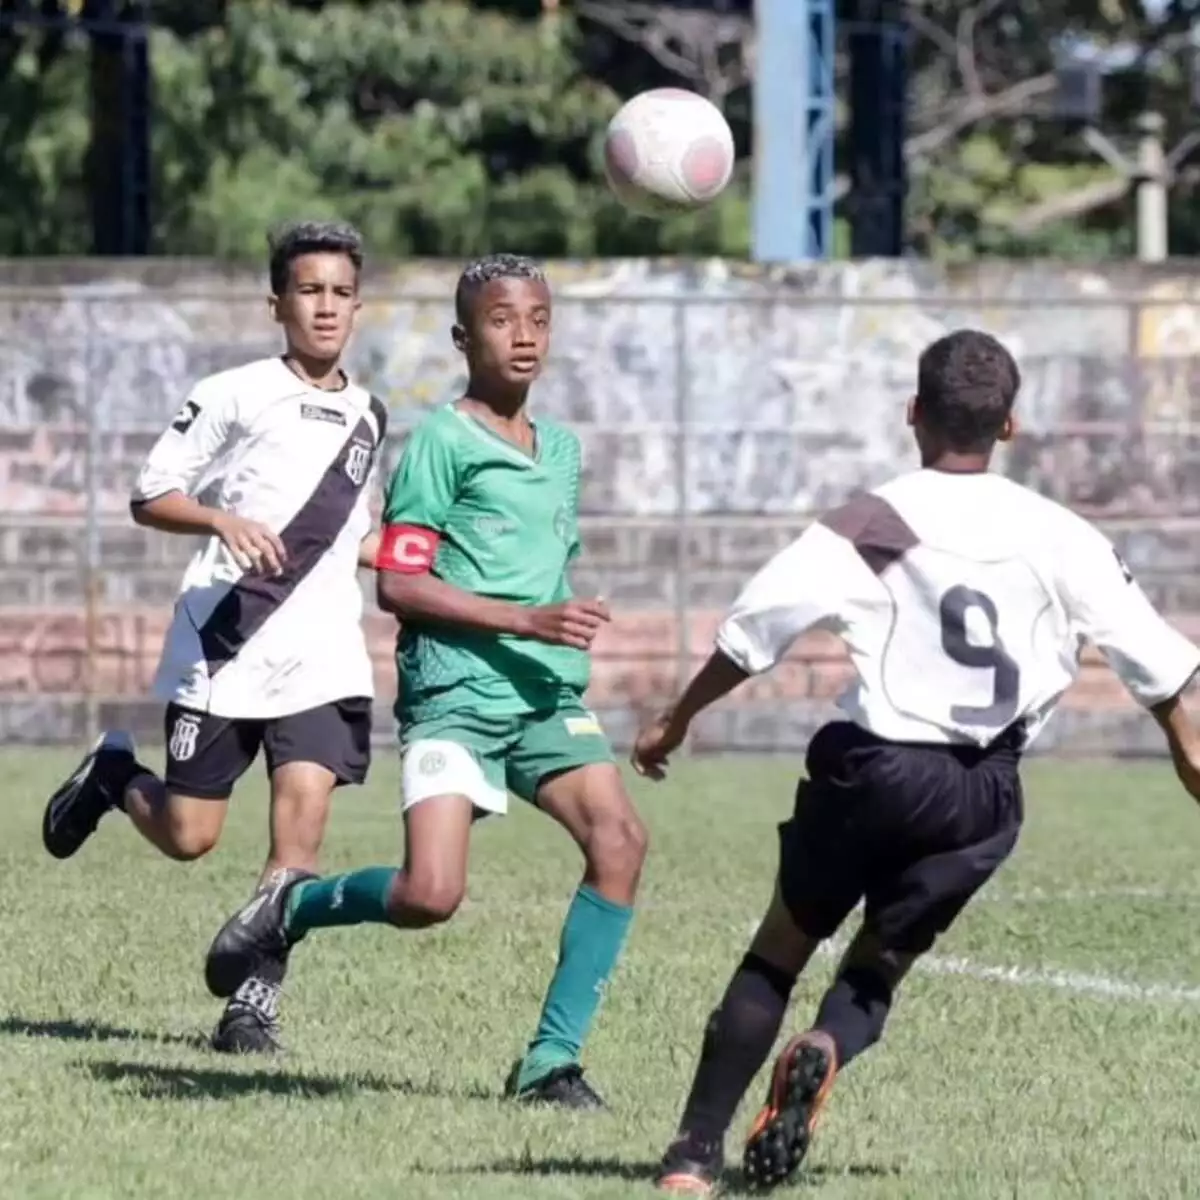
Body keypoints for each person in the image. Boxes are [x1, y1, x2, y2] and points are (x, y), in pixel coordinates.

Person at [631, 328, 1200, 1196]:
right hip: (983, 794)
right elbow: (1161, 672)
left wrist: (675, 718)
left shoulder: (876, 519)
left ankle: (692, 1158)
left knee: (781, 947)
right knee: (874, 968)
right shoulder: (1059, 533)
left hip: (876, 768)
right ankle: (826, 1046)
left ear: (912, 415)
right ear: (1009, 426)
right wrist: (1184, 746)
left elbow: (754, 631)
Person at [203, 252, 649, 1109]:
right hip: (455, 698)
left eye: (538, 319)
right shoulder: (442, 442)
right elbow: (400, 584)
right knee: (429, 895)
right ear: (463, 335)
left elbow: (535, 569)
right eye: (501, 319)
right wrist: (525, 619)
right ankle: (290, 909)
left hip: (545, 696)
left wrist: (555, 624)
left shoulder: (561, 449)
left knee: (621, 843)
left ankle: (549, 1063)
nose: (523, 335)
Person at [41, 219, 386, 1056]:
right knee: (191, 836)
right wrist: (222, 518)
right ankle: (116, 776)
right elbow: (149, 493)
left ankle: (251, 1009)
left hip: (323, 655)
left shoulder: (370, 417)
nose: (326, 307)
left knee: (297, 838)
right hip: (225, 641)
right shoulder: (233, 391)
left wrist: (417, 567)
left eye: (341, 293)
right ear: (277, 303)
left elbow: (354, 540)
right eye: (309, 291)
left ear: (359, 306)